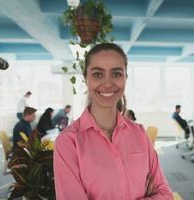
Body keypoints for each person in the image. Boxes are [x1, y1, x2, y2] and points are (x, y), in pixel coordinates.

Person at [54, 43, 172, 200]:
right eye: (98, 74)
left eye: (116, 74)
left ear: (125, 78)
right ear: (86, 79)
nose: (108, 83)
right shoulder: (68, 142)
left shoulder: (139, 133)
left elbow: (165, 195)